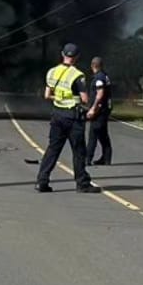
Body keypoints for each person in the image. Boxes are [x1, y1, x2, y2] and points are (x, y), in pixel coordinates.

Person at [35, 41, 101, 194]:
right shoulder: (77, 75)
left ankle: (42, 181)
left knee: (53, 149)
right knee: (79, 151)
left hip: (57, 115)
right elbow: (84, 99)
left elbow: (47, 95)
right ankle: (82, 183)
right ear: (77, 57)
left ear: (62, 54)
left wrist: (60, 98)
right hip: (73, 117)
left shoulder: (52, 72)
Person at [86, 56, 113, 166]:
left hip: (99, 109)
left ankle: (87, 158)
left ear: (92, 65)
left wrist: (93, 108)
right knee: (102, 134)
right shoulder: (104, 76)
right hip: (105, 108)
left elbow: (100, 94)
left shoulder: (99, 78)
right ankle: (106, 158)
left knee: (93, 133)